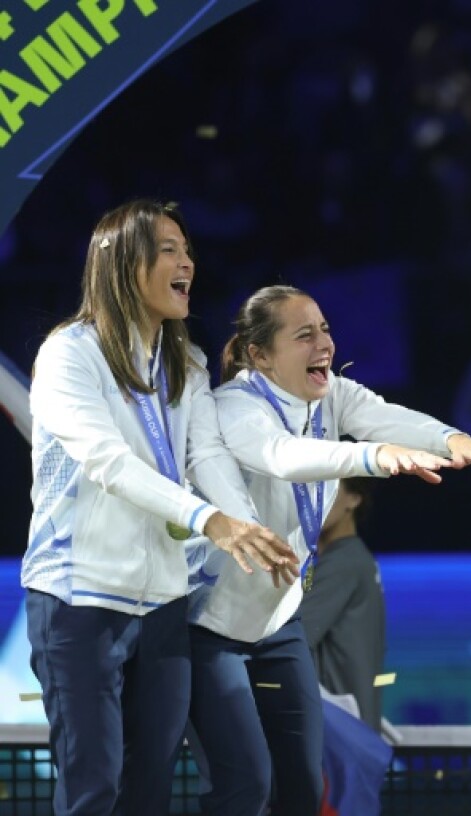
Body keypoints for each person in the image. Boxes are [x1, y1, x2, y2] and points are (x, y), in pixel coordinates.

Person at [186, 284, 471, 815]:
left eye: (324, 329)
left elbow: (389, 415)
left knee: (303, 784)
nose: (323, 343)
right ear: (260, 356)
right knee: (244, 784)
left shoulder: (331, 394)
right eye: (304, 335)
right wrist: (377, 455)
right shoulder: (234, 406)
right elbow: (283, 456)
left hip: (277, 626)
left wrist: (455, 441)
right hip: (210, 632)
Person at [23, 200, 296, 815]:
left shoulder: (186, 364)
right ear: (123, 262)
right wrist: (211, 522)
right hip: (79, 600)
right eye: (168, 249)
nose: (186, 263)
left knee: (147, 795)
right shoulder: (70, 355)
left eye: (187, 250)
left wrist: (244, 525)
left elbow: (206, 459)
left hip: (164, 605)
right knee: (93, 791)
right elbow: (107, 461)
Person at [300, 477, 386, 732]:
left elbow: (293, 640)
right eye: (310, 489)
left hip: (338, 733)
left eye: (326, 489)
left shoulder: (343, 562)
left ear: (354, 498)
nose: (315, 501)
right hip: (355, 729)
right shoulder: (357, 558)